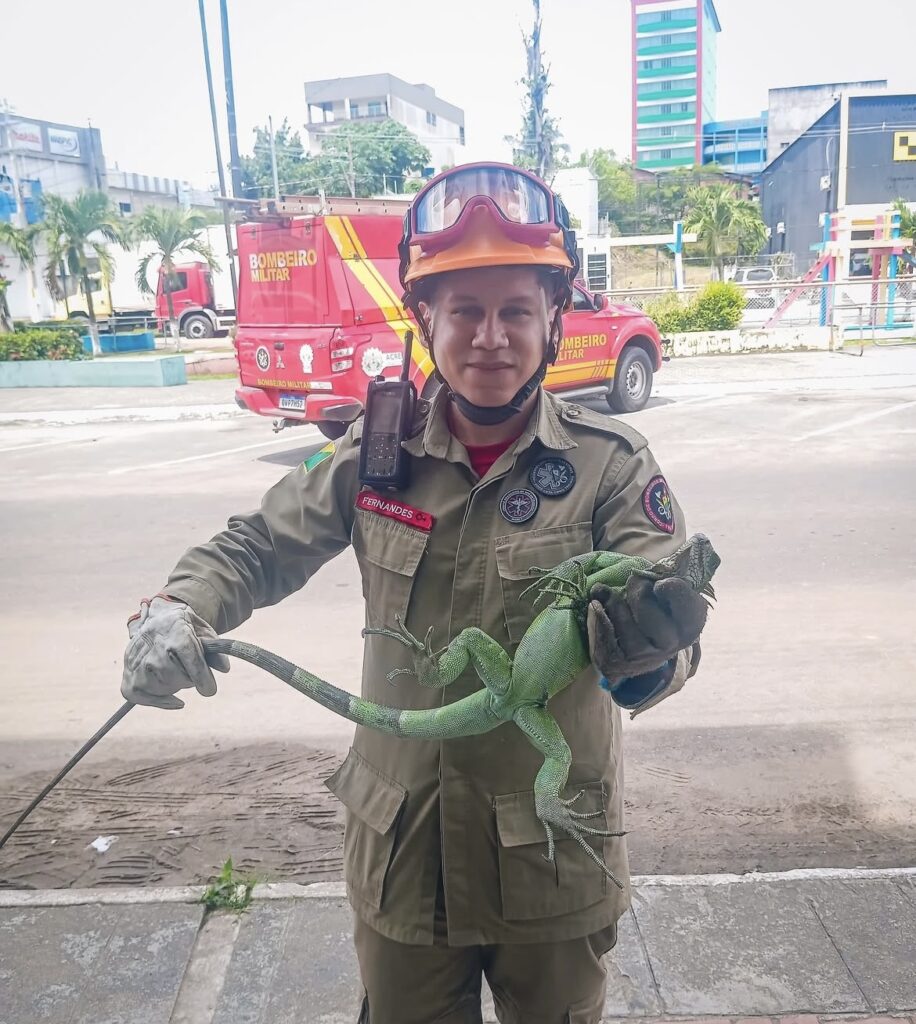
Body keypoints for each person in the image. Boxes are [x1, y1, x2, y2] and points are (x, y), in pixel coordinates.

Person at [121, 162, 709, 1024]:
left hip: (550, 860)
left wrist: (650, 652)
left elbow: (675, 637)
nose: (490, 337)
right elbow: (255, 546)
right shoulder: (374, 454)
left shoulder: (612, 467)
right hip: (403, 857)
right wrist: (178, 606)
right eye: (464, 311)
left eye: (515, 310)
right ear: (425, 319)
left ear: (553, 320)